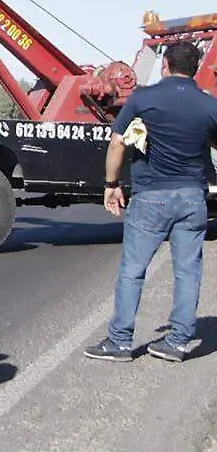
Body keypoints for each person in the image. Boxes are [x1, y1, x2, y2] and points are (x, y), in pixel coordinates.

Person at [84, 41, 217, 363]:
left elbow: (117, 143)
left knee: (133, 270)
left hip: (151, 198)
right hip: (192, 199)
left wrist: (111, 184)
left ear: (165, 65)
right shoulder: (209, 105)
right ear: (195, 68)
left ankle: (120, 342)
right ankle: (178, 342)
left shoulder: (144, 98)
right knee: (188, 271)